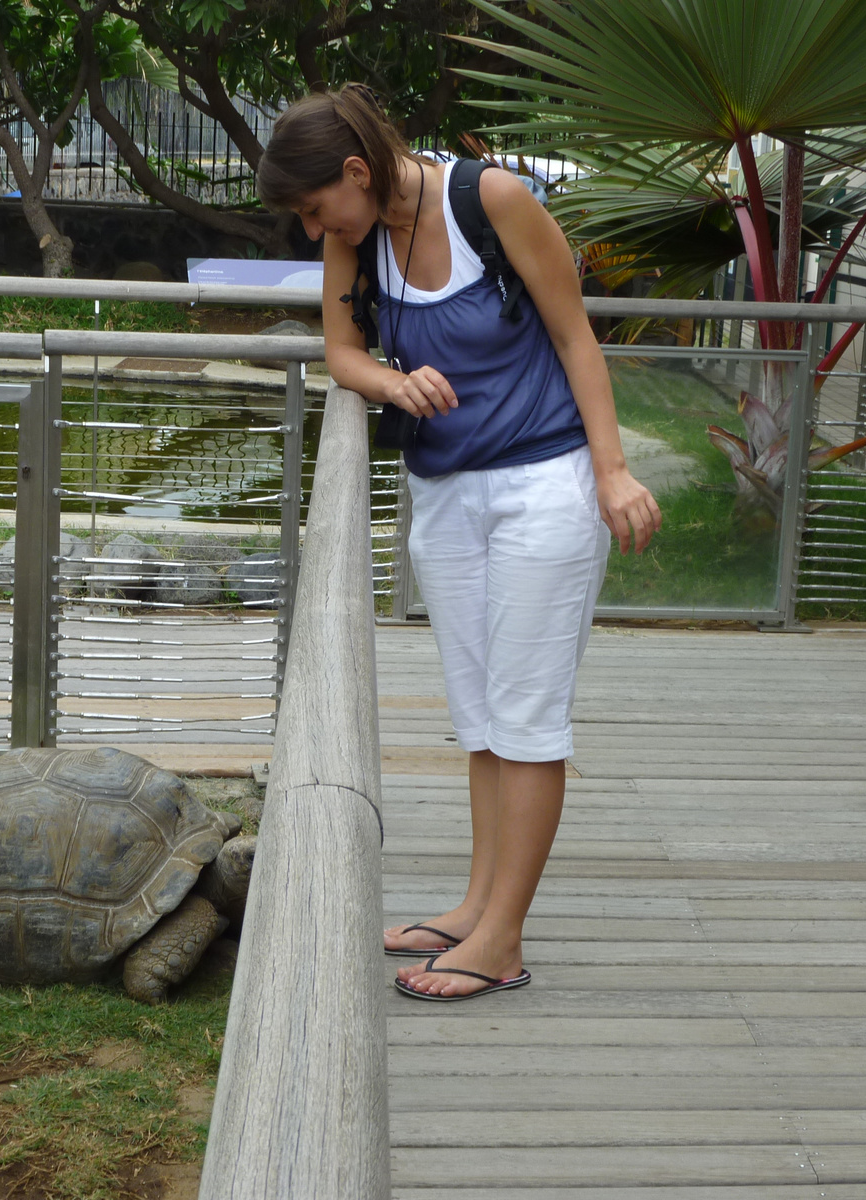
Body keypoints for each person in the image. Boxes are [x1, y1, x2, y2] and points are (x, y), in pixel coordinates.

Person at [256, 86, 661, 1001]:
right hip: (446, 497)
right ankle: (476, 909)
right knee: (482, 721)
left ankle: (503, 941)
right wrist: (393, 388)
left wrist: (612, 472)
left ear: (357, 171)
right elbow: (341, 351)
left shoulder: (495, 201)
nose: (314, 226)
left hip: (543, 489)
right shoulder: (353, 241)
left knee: (527, 723)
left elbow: (575, 338)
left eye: (317, 207)